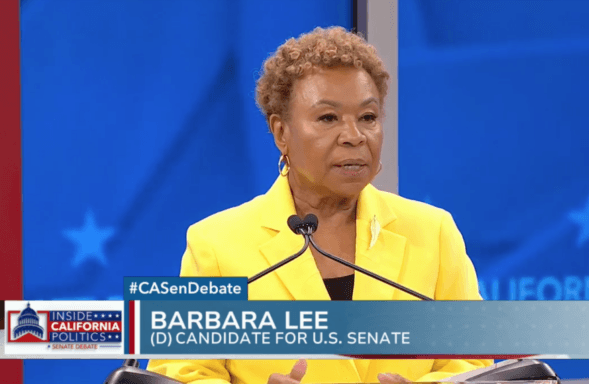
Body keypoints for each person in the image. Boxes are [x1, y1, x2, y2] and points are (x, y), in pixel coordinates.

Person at [148, 26, 492, 384]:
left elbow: (473, 362)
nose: (354, 136)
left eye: (368, 117)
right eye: (328, 118)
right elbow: (182, 373)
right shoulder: (215, 245)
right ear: (282, 133)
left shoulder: (432, 232)